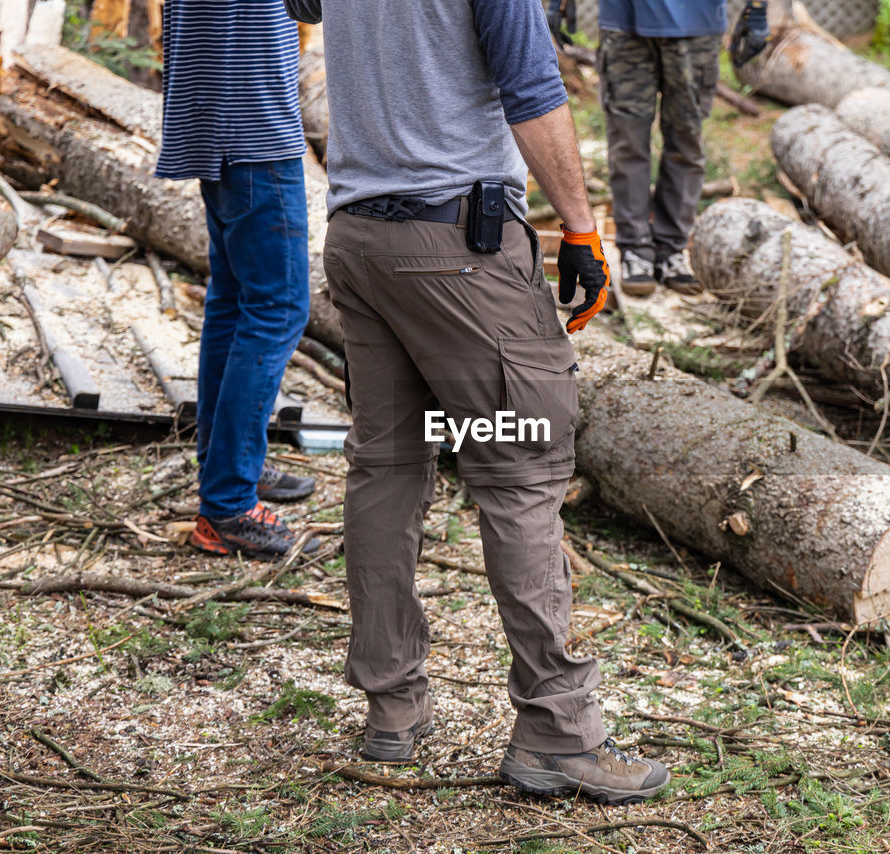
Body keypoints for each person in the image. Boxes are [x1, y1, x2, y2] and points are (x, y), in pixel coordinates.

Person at [284, 0, 670, 805]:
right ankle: (560, 733)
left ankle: (391, 711)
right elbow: (532, 91)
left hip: (361, 241)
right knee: (522, 468)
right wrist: (581, 229)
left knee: (386, 469)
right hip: (457, 246)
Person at [156, 0, 319, 560]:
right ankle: (228, 503)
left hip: (214, 120)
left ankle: (228, 463)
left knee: (234, 304)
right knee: (278, 309)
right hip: (253, 125)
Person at [597, 0, 728, 296]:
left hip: (696, 23)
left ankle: (672, 250)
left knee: (686, 142)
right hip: (624, 22)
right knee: (627, 142)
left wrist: (756, 10)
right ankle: (635, 251)